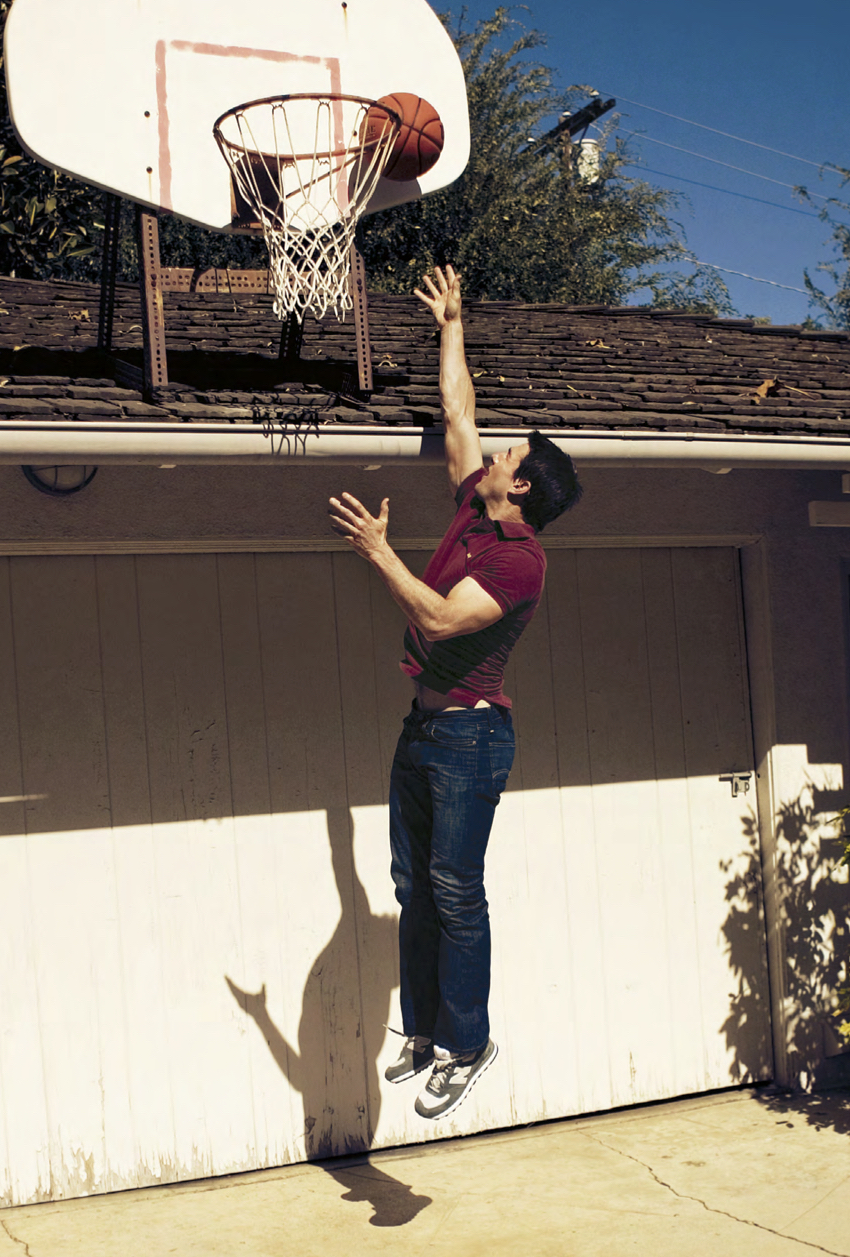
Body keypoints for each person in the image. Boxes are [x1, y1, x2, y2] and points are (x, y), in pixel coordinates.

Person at [329, 264, 582, 1119]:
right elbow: (459, 410)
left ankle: (468, 1042)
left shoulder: (519, 560)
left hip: (472, 740)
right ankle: (425, 1030)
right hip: (425, 729)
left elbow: (439, 621)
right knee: (410, 884)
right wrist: (451, 322)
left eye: (510, 458)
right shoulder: (480, 505)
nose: (496, 453)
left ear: (524, 489)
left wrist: (378, 552)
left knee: (452, 887)